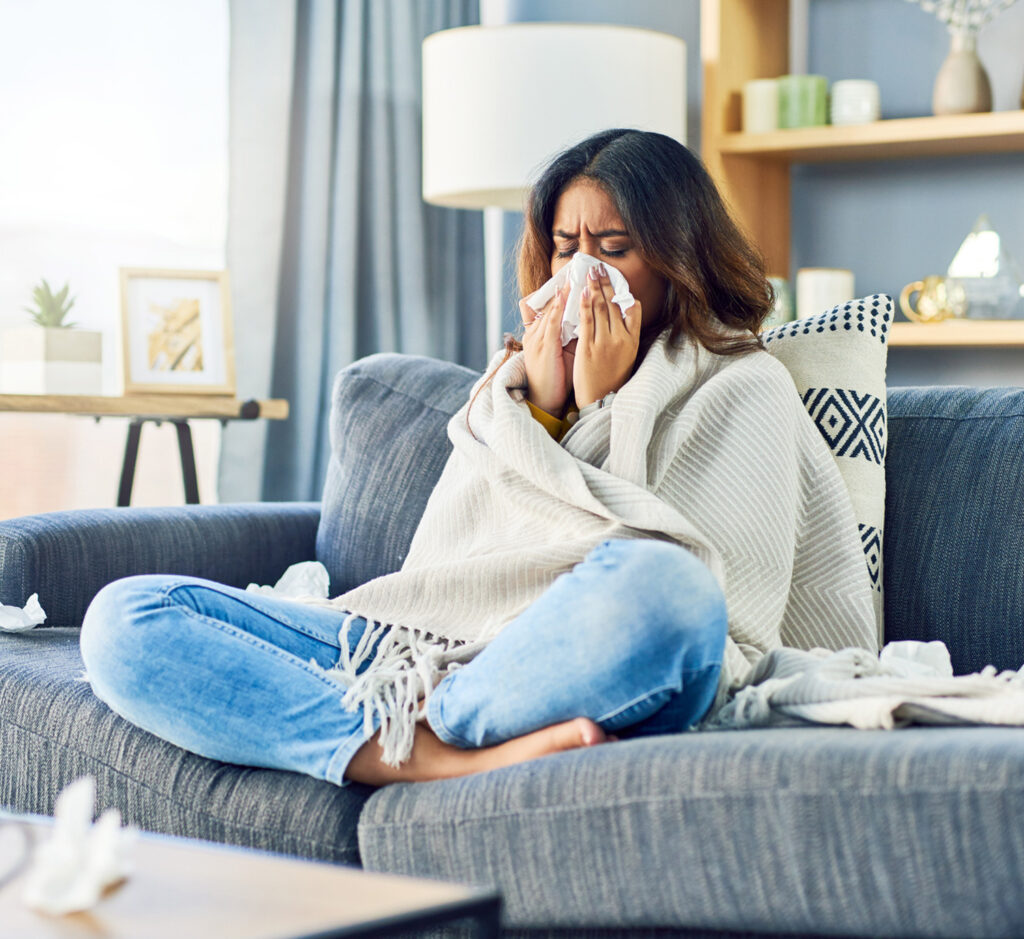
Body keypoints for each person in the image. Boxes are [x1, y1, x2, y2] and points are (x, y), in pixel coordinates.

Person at [80, 129, 877, 789]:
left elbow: (723, 608)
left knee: (668, 591)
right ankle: (414, 755)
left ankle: (428, 729)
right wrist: (544, 409)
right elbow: (447, 570)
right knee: (126, 617)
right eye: (566, 248)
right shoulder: (510, 393)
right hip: (417, 647)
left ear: (678, 261)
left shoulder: (747, 385)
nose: (580, 275)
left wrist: (606, 407)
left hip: (572, 656)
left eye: (613, 248)